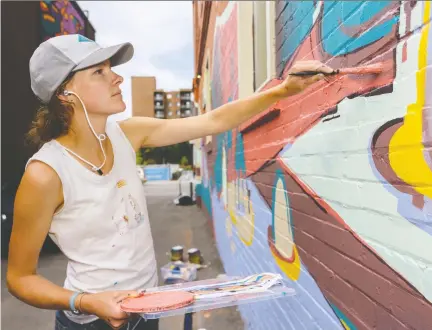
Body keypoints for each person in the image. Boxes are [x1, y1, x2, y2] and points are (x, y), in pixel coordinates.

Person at [5, 34, 333, 330]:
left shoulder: (128, 134)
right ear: (65, 94)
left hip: (146, 309)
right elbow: (20, 279)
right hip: (90, 322)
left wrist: (284, 90)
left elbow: (214, 120)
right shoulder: (45, 174)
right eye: (99, 72)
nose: (117, 78)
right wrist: (85, 301)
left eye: (110, 68)